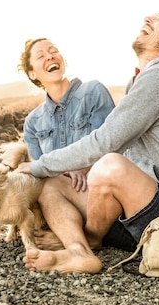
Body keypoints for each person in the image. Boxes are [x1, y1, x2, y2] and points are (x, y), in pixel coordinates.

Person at [15, 5, 159, 274]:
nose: (149, 17)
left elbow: (106, 142)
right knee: (51, 185)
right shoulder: (149, 76)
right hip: (144, 210)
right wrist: (57, 172)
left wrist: (38, 165)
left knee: (109, 165)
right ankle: (79, 252)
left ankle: (90, 239)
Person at [15, 38, 116, 192]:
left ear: (63, 61)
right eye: (40, 56)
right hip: (58, 192)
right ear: (32, 74)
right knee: (48, 190)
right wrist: (66, 171)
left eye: (53, 51)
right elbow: (38, 170)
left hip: (98, 187)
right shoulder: (33, 122)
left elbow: (108, 146)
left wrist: (81, 167)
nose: (50, 56)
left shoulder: (93, 92)